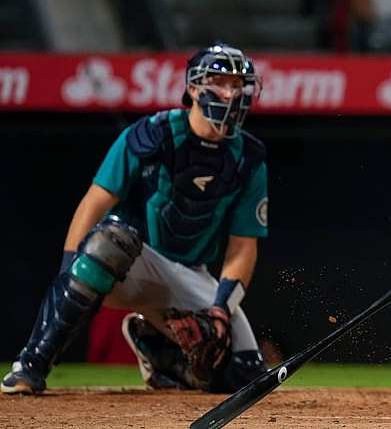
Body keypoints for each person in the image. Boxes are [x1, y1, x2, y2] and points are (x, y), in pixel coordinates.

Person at [2, 43, 270, 395]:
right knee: (110, 240)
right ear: (194, 88)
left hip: (192, 273)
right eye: (221, 82)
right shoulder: (152, 134)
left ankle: (161, 351)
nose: (232, 93)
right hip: (134, 263)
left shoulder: (249, 157)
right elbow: (93, 203)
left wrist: (221, 308)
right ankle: (32, 363)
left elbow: (242, 247)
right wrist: (69, 269)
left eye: (238, 85)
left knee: (244, 376)